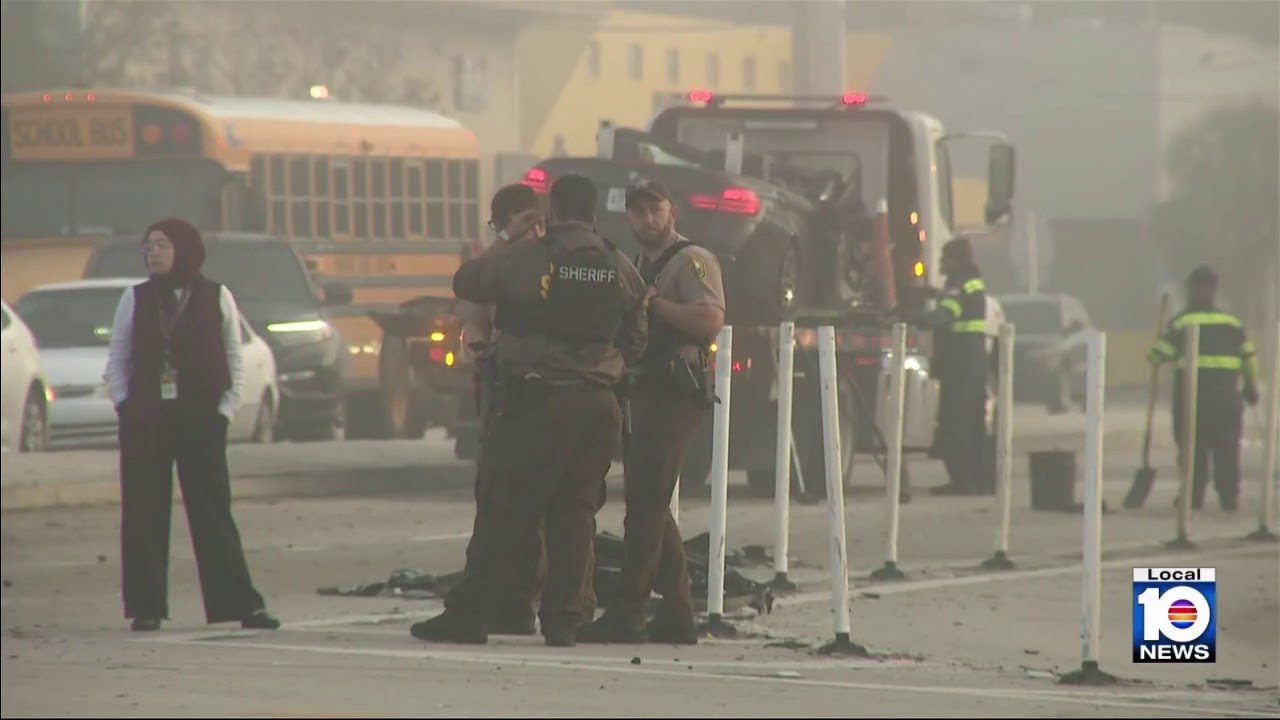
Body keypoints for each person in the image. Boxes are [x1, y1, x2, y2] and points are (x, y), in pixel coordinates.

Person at [411, 174, 647, 647]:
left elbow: (468, 281)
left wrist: (507, 237)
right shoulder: (618, 264)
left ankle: (471, 613)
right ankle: (565, 620)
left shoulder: (530, 257)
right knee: (575, 513)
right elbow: (637, 338)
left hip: (537, 402)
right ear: (596, 214)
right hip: (599, 406)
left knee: (504, 507)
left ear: (551, 213)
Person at [104, 218, 280, 632]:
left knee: (212, 511)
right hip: (147, 418)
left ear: (184, 249)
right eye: (148, 246)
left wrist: (226, 407)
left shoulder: (216, 296)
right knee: (144, 512)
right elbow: (118, 356)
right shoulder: (135, 298)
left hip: (201, 416)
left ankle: (240, 604)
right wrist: (124, 404)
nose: (154, 253)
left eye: (162, 245)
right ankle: (146, 606)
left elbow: (233, 355)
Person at [580, 181, 725, 646]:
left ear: (672, 211)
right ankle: (678, 614)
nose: (647, 219)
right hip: (644, 393)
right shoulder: (639, 263)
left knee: (644, 507)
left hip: (675, 395)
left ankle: (630, 611)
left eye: (655, 209)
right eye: (638, 211)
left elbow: (710, 318)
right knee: (652, 505)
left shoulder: (690, 259)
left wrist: (654, 304)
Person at [454, 183, 549, 636]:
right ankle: (503, 599)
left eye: (528, 222)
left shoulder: (561, 259)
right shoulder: (496, 265)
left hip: (551, 393)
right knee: (496, 497)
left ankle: (530, 599)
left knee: (544, 501)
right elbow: (472, 306)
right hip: (501, 390)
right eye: (504, 225)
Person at [1148, 265, 1260, 511]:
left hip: (1191, 400)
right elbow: (1249, 357)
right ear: (1214, 290)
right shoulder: (1231, 323)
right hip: (1226, 401)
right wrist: (1251, 385)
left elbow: (1157, 356)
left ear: (1192, 289)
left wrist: (1156, 346)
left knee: (1191, 449)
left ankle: (1192, 496)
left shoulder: (1181, 323)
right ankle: (1229, 497)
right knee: (1227, 449)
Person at [909, 236, 989, 496]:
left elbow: (944, 316)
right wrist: (929, 293)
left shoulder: (958, 283)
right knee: (971, 422)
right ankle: (977, 480)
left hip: (961, 363)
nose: (942, 262)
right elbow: (953, 302)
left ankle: (963, 482)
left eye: (945, 258)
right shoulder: (970, 281)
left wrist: (907, 315)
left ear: (956, 260)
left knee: (955, 423)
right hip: (971, 362)